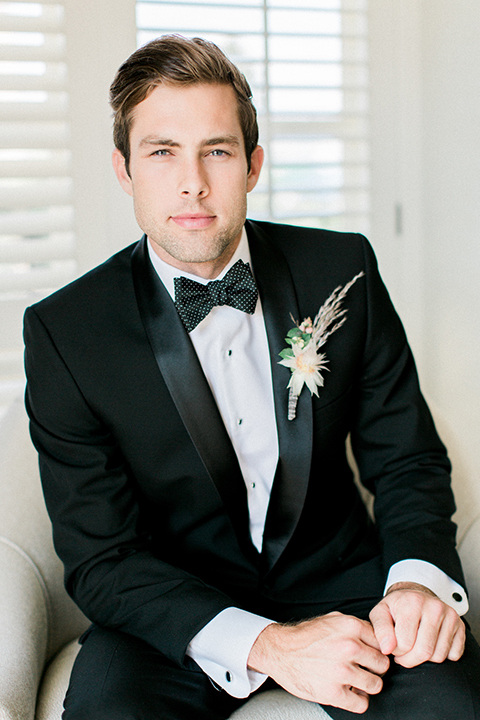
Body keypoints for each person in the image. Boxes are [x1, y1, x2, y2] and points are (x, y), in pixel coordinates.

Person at [23, 35, 480, 720]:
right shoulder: (66, 332)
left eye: (217, 150)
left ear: (253, 164)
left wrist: (416, 583)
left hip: (346, 589)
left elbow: (408, 459)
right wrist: (271, 645)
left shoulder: (342, 270)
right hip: (170, 615)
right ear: (123, 169)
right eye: (161, 152)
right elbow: (102, 558)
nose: (193, 184)